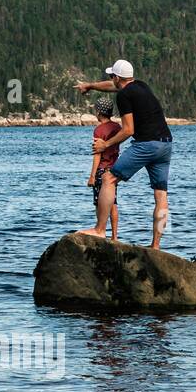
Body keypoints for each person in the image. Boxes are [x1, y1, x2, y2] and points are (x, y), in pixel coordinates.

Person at [75, 59, 174, 249]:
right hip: (166, 144)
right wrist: (91, 85)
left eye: (112, 76)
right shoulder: (141, 86)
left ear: (117, 77)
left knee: (108, 179)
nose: (111, 80)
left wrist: (106, 145)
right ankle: (156, 246)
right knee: (161, 195)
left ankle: (100, 229)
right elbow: (111, 87)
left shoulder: (123, 97)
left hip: (146, 145)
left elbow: (128, 130)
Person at [87, 95, 122, 239]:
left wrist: (92, 176)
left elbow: (97, 154)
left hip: (102, 170)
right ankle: (114, 236)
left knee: (99, 203)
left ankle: (100, 231)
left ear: (99, 113)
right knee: (113, 203)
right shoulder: (117, 127)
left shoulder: (98, 130)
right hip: (114, 170)